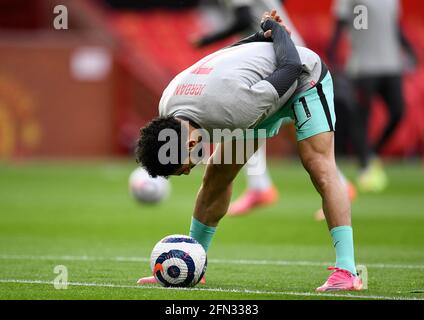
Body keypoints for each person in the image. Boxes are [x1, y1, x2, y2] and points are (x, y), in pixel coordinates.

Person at [136, 10, 363, 291]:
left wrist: (274, 29)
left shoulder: (233, 112)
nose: (184, 171)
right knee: (217, 175)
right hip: (253, 93)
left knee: (319, 167)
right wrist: (259, 37)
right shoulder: (169, 106)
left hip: (303, 80)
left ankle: (347, 271)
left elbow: (291, 68)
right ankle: (196, 260)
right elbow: (225, 58)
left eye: (180, 167)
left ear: (189, 144)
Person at [194, 0, 356, 216]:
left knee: (248, 118)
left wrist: (207, 40)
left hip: (279, 59)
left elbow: (243, 18)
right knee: (279, 127)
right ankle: (261, 186)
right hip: (280, 54)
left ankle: (264, 187)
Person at [327, 0, 418, 192]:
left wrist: (409, 49)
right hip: (363, 67)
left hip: (390, 64)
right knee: (361, 116)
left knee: (398, 111)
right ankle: (365, 166)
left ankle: (372, 153)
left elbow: (393, 27)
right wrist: (333, 55)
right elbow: (340, 25)